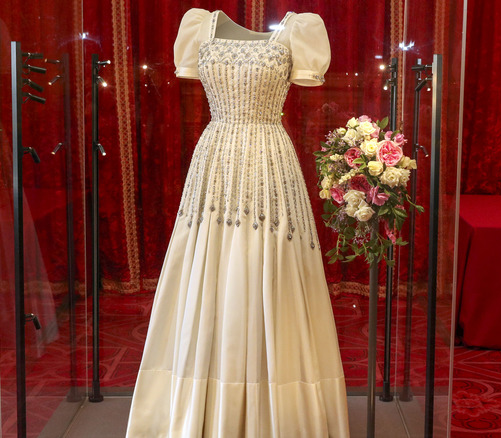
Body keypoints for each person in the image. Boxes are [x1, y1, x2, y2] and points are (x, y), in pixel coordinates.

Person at [125, 9, 349, 437]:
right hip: (216, 158)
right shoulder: (197, 25)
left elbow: (307, 77)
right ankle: (200, 406)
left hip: (269, 158)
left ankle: (277, 410)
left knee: (272, 266)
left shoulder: (299, 30)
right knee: (209, 266)